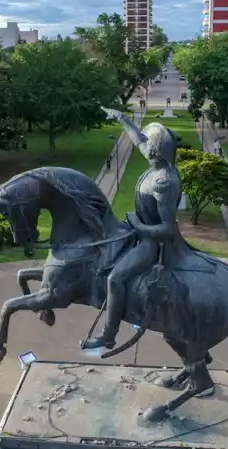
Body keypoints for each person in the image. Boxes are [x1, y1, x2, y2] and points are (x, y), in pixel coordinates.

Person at [81, 107, 186, 350]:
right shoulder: (156, 162)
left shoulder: (164, 182)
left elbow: (168, 228)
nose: (143, 145)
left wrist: (138, 227)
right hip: (136, 229)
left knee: (115, 279)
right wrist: (122, 117)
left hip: (153, 243)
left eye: (148, 143)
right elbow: (138, 138)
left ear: (155, 150)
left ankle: (108, 335)